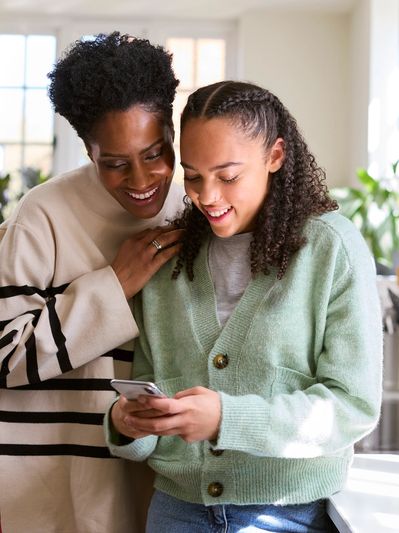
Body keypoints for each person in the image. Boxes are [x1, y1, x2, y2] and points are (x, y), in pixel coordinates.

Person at [105, 80, 383, 533]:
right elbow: (146, 386)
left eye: (228, 176)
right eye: (192, 176)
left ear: (274, 156)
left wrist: (227, 419)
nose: (207, 196)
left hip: (288, 514)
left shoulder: (332, 249)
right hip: (176, 512)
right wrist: (126, 424)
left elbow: (351, 405)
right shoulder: (169, 262)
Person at [0, 32, 184, 533]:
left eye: (155, 153)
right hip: (45, 490)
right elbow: (4, 356)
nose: (142, 179)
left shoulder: (198, 209)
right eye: (115, 164)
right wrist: (113, 285)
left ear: (171, 130)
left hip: (162, 488)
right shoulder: (42, 214)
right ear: (88, 150)